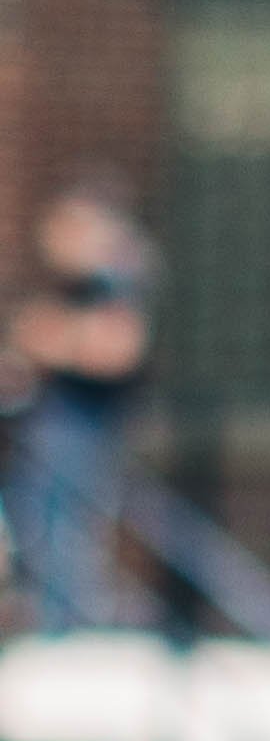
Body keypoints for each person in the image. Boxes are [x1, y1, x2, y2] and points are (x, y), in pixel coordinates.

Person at [1, 173, 155, 634]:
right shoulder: (75, 285)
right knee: (39, 534)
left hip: (80, 432)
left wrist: (48, 337)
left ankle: (64, 630)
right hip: (47, 433)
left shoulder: (116, 279)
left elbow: (116, 347)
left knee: (64, 540)